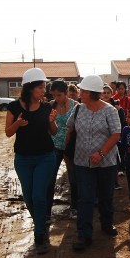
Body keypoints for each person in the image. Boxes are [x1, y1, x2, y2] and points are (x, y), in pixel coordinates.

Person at [5, 67, 58, 254]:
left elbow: (54, 132)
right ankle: (40, 223)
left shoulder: (47, 107)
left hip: (45, 157)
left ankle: (39, 234)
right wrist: (17, 124)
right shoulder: (14, 107)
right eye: (40, 88)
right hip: (23, 159)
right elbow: (8, 132)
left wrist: (52, 121)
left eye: (44, 87)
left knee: (38, 195)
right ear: (29, 88)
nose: (44, 91)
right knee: (28, 196)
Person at [66, 75, 121, 251]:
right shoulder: (77, 109)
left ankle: (106, 224)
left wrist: (101, 153)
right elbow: (70, 128)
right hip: (82, 162)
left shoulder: (109, 111)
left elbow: (116, 134)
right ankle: (84, 234)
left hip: (106, 163)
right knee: (85, 198)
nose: (80, 93)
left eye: (83, 90)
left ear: (91, 93)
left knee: (105, 196)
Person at [48, 80, 79, 219]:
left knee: (73, 178)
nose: (56, 98)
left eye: (59, 95)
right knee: (49, 178)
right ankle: (47, 210)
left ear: (66, 93)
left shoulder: (76, 106)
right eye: (54, 95)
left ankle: (75, 208)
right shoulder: (50, 106)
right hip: (54, 145)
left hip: (71, 146)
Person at [101, 84, 125, 190]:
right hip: (100, 139)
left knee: (113, 161)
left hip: (114, 139)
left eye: (108, 93)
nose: (106, 95)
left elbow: (122, 124)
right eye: (104, 92)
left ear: (111, 94)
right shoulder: (96, 108)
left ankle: (114, 183)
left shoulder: (118, 109)